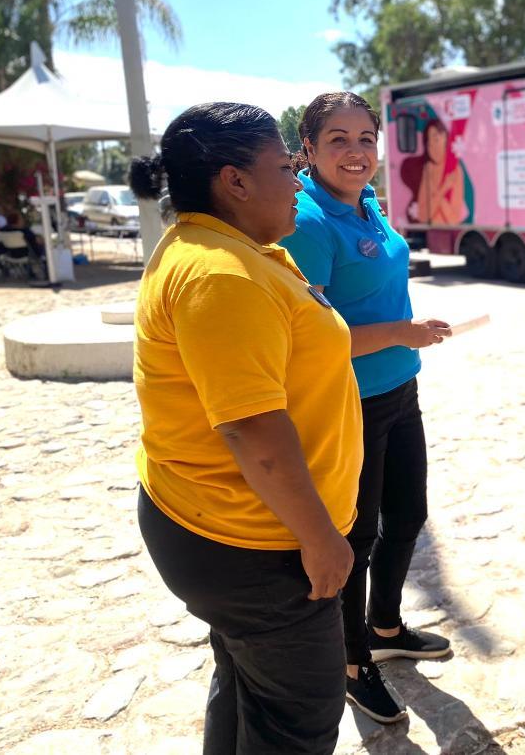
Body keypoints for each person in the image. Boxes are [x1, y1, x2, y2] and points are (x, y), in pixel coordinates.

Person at [130, 102, 361, 754]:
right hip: (257, 547)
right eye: (285, 167)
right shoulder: (222, 274)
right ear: (234, 181)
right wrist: (321, 538)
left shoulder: (227, 249)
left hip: (223, 530)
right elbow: (254, 431)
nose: (297, 181)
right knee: (297, 719)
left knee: (248, 691)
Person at [279, 92, 452, 725]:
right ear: (308, 150)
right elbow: (310, 340)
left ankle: (384, 627)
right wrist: (401, 332)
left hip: (400, 389)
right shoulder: (308, 221)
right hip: (349, 401)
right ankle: (353, 665)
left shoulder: (367, 203)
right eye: (338, 141)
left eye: (365, 140)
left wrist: (404, 340)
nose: (356, 154)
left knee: (409, 516)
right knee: (358, 534)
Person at [402, 118, 466, 225]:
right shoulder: (428, 169)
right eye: (428, 142)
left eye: (436, 139)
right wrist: (444, 188)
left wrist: (435, 191)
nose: (432, 146)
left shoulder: (454, 170)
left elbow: (454, 220)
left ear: (446, 139)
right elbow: (423, 215)